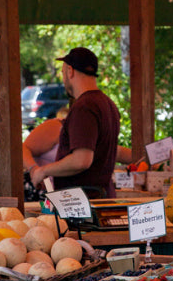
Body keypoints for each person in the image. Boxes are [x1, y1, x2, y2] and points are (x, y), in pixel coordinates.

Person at [28, 47, 121, 198]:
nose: (63, 78)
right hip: (102, 199)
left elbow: (81, 160)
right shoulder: (108, 104)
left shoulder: (84, 106)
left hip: (83, 207)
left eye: (63, 73)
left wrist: (44, 170)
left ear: (70, 71)